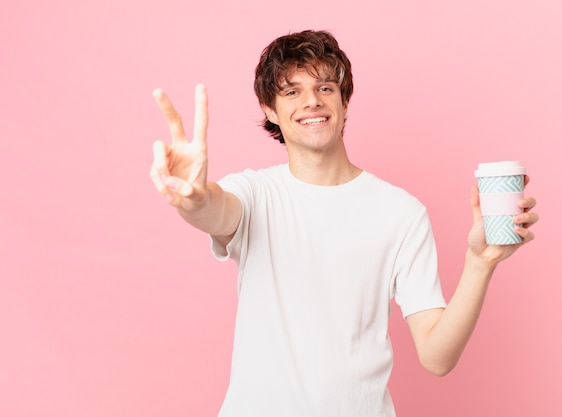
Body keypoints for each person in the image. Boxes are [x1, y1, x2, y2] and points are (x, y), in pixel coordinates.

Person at [149, 30, 538, 417]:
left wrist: (480, 264)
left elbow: (437, 357)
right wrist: (194, 197)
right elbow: (215, 211)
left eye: (325, 87)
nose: (311, 102)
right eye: (291, 92)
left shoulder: (401, 213)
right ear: (269, 109)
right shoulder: (254, 193)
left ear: (344, 100)